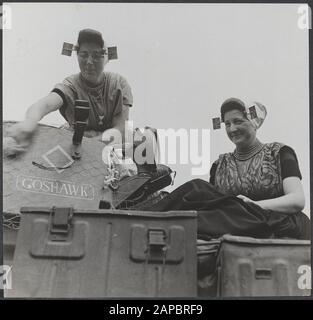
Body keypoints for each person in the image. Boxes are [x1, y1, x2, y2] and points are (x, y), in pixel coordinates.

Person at [143, 98, 310, 240]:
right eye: (227, 124)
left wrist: (255, 205)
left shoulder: (279, 152)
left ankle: (142, 218)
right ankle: (142, 218)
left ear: (254, 122)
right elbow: (214, 209)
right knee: (196, 194)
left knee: (200, 201)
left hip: (273, 221)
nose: (232, 129)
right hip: (234, 220)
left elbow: (297, 200)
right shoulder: (220, 164)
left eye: (238, 121)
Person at [6, 28, 133, 153]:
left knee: (146, 138)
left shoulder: (118, 84)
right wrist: (29, 122)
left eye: (96, 56)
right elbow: (45, 104)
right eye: (83, 55)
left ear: (106, 58)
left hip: (108, 148)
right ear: (77, 56)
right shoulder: (71, 85)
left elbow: (120, 130)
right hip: (76, 148)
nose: (89, 62)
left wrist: (89, 144)